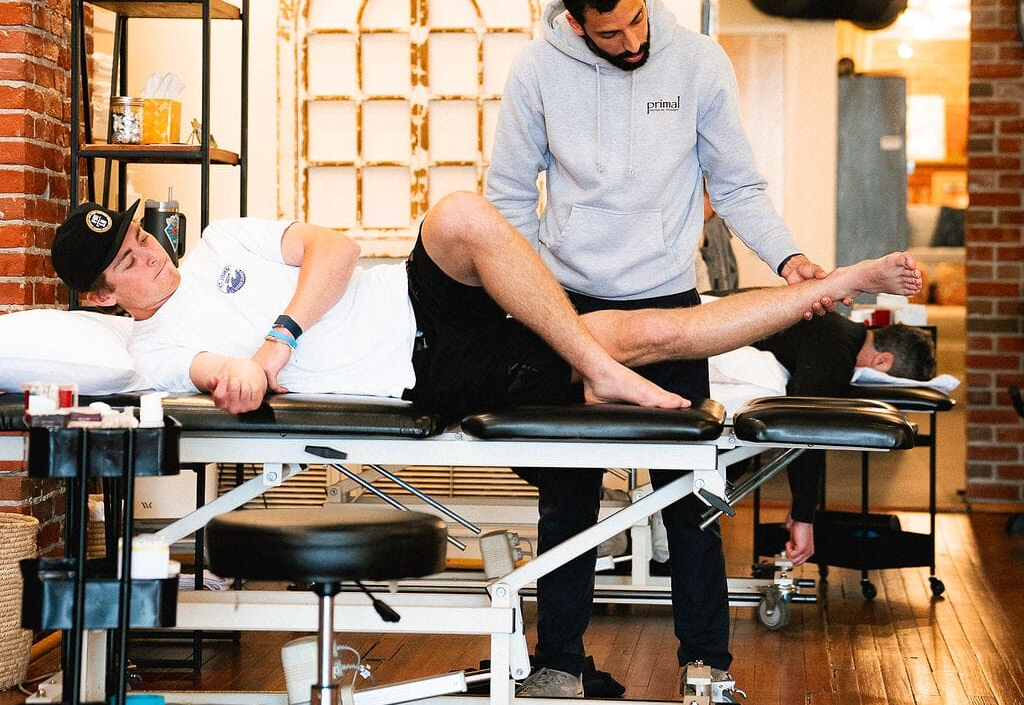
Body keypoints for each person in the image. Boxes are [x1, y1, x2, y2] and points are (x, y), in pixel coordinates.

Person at [486, 0, 831, 695]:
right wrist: (538, 304)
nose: (631, 41)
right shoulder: (537, 72)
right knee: (568, 498)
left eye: (637, 20)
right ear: (576, 23)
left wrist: (788, 258)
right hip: (571, 308)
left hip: (670, 306)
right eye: (610, 33)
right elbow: (508, 197)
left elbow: (737, 185)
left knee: (690, 493)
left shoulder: (698, 63)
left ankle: (706, 663)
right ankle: (560, 662)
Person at [49, 193, 921, 428]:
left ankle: (596, 369)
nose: (149, 253)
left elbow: (338, 250)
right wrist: (243, 376)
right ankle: (839, 283)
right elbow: (218, 376)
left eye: (141, 236)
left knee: (461, 215)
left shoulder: (219, 243)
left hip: (417, 295)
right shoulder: (153, 349)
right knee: (654, 329)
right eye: (128, 259)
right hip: (426, 369)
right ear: (100, 296)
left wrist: (275, 344)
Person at [752, 316, 936, 564]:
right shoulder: (836, 351)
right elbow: (806, 427)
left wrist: (801, 505)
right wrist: (804, 518)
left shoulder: (839, 333)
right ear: (882, 361)